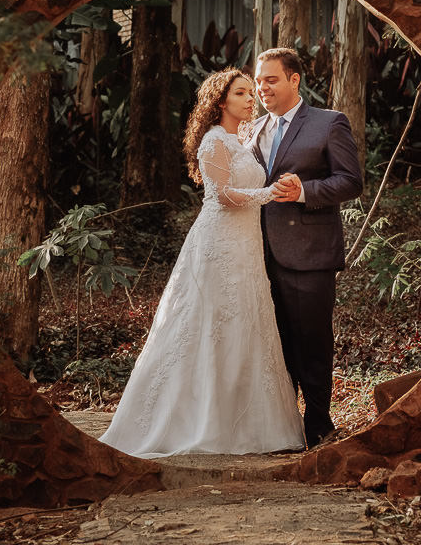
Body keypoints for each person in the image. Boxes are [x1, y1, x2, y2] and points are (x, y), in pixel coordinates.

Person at [100, 68, 305, 458]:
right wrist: (270, 193)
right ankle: (197, 422)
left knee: (246, 321)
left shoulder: (240, 139)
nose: (251, 98)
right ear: (220, 101)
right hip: (219, 243)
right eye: (242, 93)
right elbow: (225, 195)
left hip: (246, 245)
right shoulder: (213, 142)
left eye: (251, 92)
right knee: (208, 323)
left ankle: (248, 426)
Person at [249, 47, 363, 449]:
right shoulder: (255, 130)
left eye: (271, 79)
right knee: (275, 344)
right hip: (259, 255)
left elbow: (351, 181)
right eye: (259, 80)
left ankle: (319, 424)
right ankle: (283, 426)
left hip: (310, 254)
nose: (262, 87)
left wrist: (304, 191)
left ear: (294, 80)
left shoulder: (329, 123)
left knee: (312, 342)